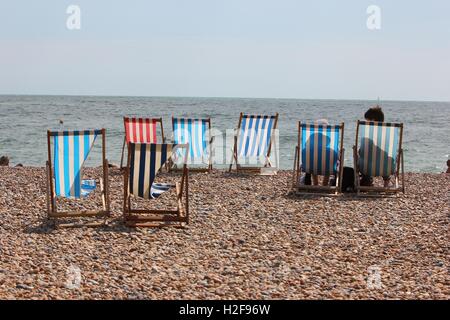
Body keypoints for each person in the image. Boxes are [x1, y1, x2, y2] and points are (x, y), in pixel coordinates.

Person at [359, 105, 391, 187]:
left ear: (372, 120)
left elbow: (362, 151)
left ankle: (366, 180)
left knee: (362, 153)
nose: (366, 122)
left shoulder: (368, 133)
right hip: (386, 166)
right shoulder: (388, 132)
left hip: (367, 167)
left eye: (367, 120)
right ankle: (386, 181)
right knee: (385, 156)